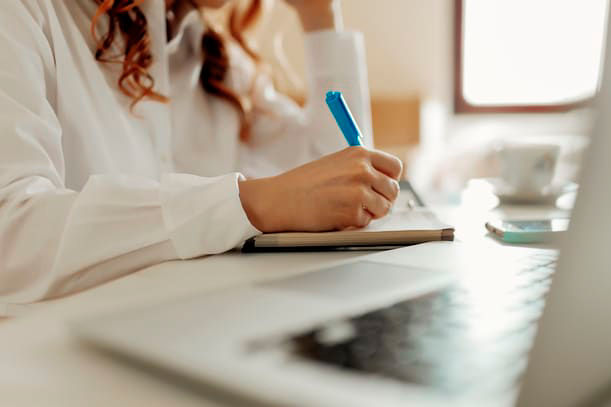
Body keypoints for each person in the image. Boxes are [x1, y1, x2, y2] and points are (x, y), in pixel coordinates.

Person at [0, 0, 403, 309]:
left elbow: (344, 180)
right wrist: (250, 203)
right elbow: (12, 234)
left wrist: (321, 15)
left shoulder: (212, 60)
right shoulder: (24, 15)